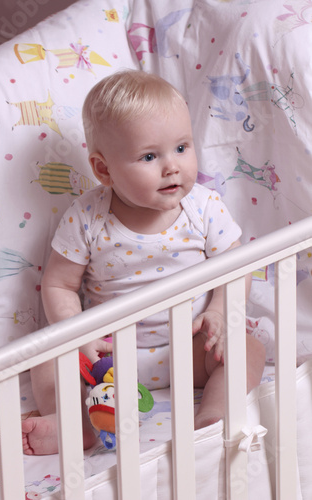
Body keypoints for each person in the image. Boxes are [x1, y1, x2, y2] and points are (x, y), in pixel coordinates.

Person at [22, 70, 266, 455]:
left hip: (191, 348)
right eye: (150, 156)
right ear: (104, 169)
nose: (172, 166)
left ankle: (214, 412)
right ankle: (75, 423)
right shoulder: (86, 216)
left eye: (182, 148)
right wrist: (77, 333)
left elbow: (237, 267)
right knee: (45, 357)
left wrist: (220, 310)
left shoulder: (203, 206)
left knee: (249, 347)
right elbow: (59, 284)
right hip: (107, 362)